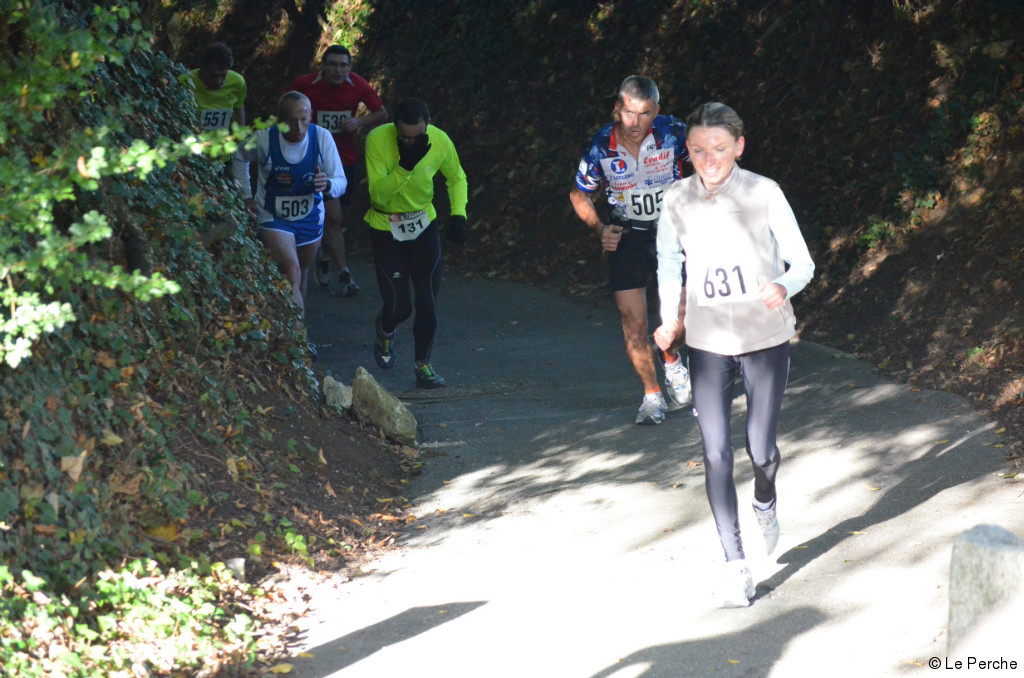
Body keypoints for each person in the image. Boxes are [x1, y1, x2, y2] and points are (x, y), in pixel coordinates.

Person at [653, 102, 815, 608]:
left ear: (739, 147)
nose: (709, 159)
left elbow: (803, 263)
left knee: (760, 451)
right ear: (687, 151)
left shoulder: (765, 193)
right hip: (707, 343)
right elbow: (668, 262)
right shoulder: (676, 198)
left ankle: (765, 499)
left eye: (719, 148)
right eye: (699, 150)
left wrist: (783, 285)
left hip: (763, 337)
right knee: (715, 452)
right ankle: (735, 564)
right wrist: (669, 318)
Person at [570, 75, 691, 426]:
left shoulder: (674, 133)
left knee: (681, 320)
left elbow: (709, 163)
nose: (635, 123)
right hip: (627, 238)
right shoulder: (600, 146)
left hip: (671, 235)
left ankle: (671, 358)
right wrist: (600, 229)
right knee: (633, 324)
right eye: (628, 113)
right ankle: (651, 395)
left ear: (657, 111)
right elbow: (579, 194)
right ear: (617, 109)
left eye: (645, 114)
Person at [363, 98, 468, 389]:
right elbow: (378, 195)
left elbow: (457, 177)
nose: (410, 142)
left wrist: (458, 215)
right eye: (404, 137)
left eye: (416, 136)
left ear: (428, 125)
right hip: (386, 226)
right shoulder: (377, 140)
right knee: (400, 307)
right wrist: (405, 165)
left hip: (423, 224)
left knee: (427, 302)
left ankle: (423, 364)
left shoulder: (439, 140)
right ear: (394, 127)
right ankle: (385, 329)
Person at [234, 92, 347, 317]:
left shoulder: (322, 137)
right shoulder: (265, 139)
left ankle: (294, 332)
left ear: (311, 116)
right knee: (290, 271)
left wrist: (327, 184)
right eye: (292, 120)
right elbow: (238, 157)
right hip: (273, 216)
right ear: (279, 120)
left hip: (310, 218)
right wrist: (245, 194)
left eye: (304, 120)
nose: (299, 127)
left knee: (301, 276)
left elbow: (341, 181)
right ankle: (296, 335)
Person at [288, 45, 388, 298]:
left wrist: (358, 121)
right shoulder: (304, 85)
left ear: (349, 68)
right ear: (323, 65)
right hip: (311, 160)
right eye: (332, 64)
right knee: (333, 218)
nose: (338, 70)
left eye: (343, 65)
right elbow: (284, 113)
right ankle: (345, 275)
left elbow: (381, 113)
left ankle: (324, 253)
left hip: (344, 160)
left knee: (336, 216)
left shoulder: (357, 85)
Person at [179, 42, 247, 131]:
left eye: (223, 75)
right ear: (203, 70)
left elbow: (238, 111)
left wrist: (239, 137)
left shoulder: (237, 82)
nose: (218, 81)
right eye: (213, 75)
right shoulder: (185, 81)